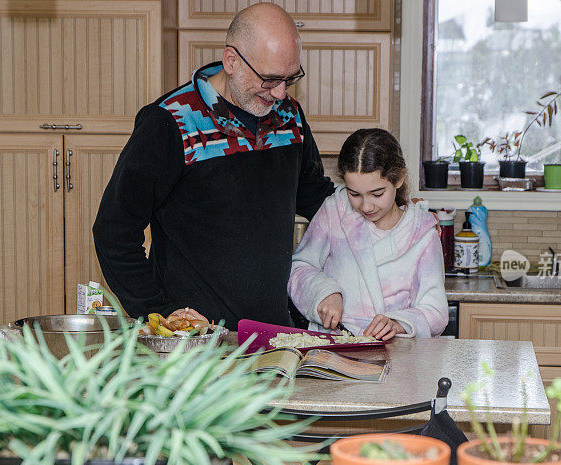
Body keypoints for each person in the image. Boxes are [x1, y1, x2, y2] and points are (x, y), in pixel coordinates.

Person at [92, 3, 334, 329]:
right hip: (198, 344)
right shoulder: (169, 123)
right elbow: (114, 232)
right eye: (270, 79)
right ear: (231, 61)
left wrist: (395, 220)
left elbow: (317, 198)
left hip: (277, 336)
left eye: (290, 79)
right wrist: (158, 312)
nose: (280, 93)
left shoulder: (290, 116)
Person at [288, 128, 448, 340]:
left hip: (395, 356)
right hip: (332, 350)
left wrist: (398, 323)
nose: (366, 205)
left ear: (398, 179)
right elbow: (299, 267)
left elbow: (436, 311)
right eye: (354, 194)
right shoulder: (334, 210)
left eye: (377, 193)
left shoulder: (422, 233)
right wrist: (323, 292)